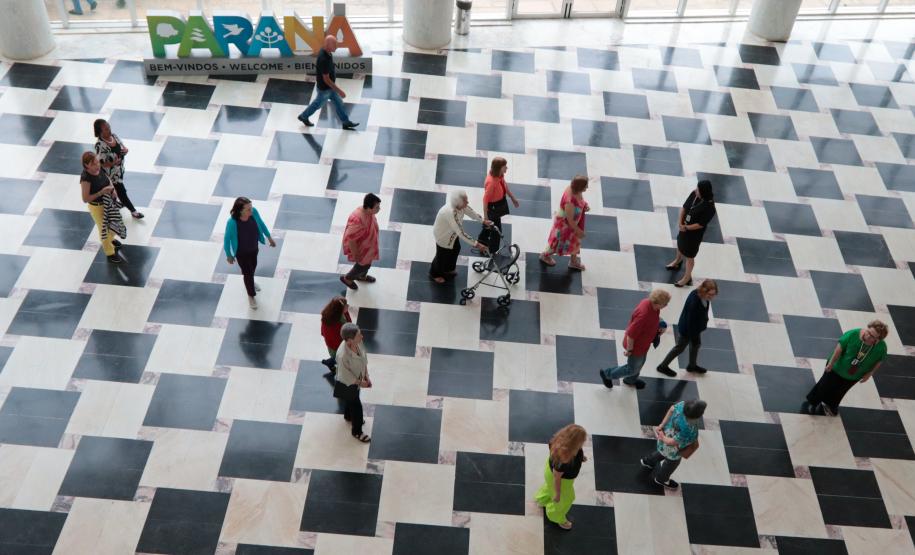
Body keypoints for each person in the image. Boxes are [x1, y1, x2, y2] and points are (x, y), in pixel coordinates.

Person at [805, 321, 889, 416]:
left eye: (873, 336)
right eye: (868, 332)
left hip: (854, 375)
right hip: (836, 368)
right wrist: (831, 364)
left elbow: (879, 361)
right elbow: (839, 349)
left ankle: (830, 405)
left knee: (841, 390)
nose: (868, 336)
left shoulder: (881, 347)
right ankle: (813, 402)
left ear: (878, 339)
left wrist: (869, 374)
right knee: (824, 385)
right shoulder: (853, 334)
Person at [600, 289, 671, 390]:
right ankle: (607, 374)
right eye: (665, 304)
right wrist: (629, 351)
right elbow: (631, 335)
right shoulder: (644, 315)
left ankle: (630, 380)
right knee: (632, 368)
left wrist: (661, 322)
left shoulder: (650, 303)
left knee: (640, 364)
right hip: (636, 347)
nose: (666, 305)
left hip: (644, 344)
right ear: (658, 303)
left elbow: (655, 316)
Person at [657, 279, 719, 376]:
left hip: (695, 329)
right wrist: (693, 337)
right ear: (703, 291)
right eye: (710, 294)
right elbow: (690, 322)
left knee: (696, 345)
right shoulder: (695, 302)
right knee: (680, 348)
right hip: (688, 330)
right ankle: (662, 366)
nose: (711, 297)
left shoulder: (702, 296)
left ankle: (692, 365)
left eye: (713, 294)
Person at [223, 197, 276, 310]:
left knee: (252, 268)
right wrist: (229, 255)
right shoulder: (232, 222)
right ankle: (251, 295)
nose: (251, 211)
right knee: (247, 273)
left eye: (251, 208)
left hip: (253, 249)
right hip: (241, 253)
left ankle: (250, 281)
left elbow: (261, 224)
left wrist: (269, 237)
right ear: (240, 210)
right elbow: (226, 240)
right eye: (248, 209)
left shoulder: (254, 212)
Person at [296, 35, 359, 130]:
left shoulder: (327, 52)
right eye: (335, 45)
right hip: (325, 89)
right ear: (328, 45)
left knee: (339, 103)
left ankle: (346, 122)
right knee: (318, 104)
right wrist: (339, 91)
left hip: (329, 88)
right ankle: (304, 116)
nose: (337, 47)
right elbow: (326, 79)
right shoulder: (323, 59)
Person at [641, 399, 705, 490]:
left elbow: (671, 409)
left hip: (666, 435)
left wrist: (662, 425)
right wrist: (663, 437)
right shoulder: (689, 428)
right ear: (696, 416)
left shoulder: (682, 405)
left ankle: (648, 461)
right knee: (672, 464)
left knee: (661, 452)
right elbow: (672, 442)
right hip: (673, 449)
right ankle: (661, 479)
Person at [430, 190, 492, 284]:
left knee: (456, 249)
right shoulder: (451, 213)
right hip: (443, 237)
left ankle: (449, 269)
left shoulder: (460, 206)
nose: (468, 202)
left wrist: (482, 221)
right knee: (441, 256)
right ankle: (434, 274)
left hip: (452, 234)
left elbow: (470, 212)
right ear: (459, 203)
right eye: (466, 201)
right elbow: (461, 233)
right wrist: (477, 244)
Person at [534, 424, 587, 530]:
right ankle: (555, 516)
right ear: (574, 444)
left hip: (550, 471)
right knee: (566, 499)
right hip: (560, 480)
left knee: (549, 487)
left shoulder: (561, 442)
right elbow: (556, 478)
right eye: (582, 442)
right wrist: (558, 494)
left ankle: (542, 499)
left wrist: (580, 457)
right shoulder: (564, 460)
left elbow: (577, 452)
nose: (583, 443)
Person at [667, 180, 716, 288]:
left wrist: (686, 227)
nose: (696, 190)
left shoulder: (710, 207)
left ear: (704, 191)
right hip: (684, 227)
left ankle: (687, 277)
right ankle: (678, 260)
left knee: (690, 255)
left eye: (698, 190)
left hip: (694, 235)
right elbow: (684, 208)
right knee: (680, 243)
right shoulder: (694, 194)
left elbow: (700, 224)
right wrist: (680, 223)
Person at [80, 152, 125, 264]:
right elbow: (86, 199)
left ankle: (111, 240)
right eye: (93, 164)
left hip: (108, 202)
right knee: (104, 229)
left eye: (97, 162)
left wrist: (113, 190)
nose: (97, 165)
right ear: (86, 165)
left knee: (114, 222)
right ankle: (110, 252)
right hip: (97, 207)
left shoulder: (99, 169)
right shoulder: (86, 178)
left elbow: (108, 179)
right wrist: (101, 192)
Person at [94, 118, 143, 219]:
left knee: (114, 192)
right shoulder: (100, 145)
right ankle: (133, 211)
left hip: (119, 171)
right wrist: (113, 163)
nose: (109, 130)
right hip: (110, 175)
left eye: (109, 127)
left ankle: (114, 206)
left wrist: (125, 150)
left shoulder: (114, 136)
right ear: (100, 132)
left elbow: (122, 147)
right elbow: (100, 163)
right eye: (106, 129)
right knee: (121, 191)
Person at [540, 175, 590, 271]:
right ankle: (545, 255)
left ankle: (573, 261)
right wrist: (578, 231)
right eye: (585, 186)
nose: (587, 188)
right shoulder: (569, 201)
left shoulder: (576, 190)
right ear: (579, 187)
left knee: (575, 242)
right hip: (565, 227)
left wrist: (585, 205)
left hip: (574, 225)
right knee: (557, 242)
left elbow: (581, 200)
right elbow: (570, 220)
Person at [335, 323, 372, 443]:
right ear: (350, 340)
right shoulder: (342, 355)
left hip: (358, 378)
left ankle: (348, 416)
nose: (362, 336)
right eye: (359, 335)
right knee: (357, 406)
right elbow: (346, 376)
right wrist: (361, 383)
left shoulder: (358, 342)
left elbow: (363, 358)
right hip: (348, 383)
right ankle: (357, 431)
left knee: (350, 400)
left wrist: (366, 375)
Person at [341, 193, 381, 290]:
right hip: (361, 248)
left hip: (368, 246)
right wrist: (356, 254)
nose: (379, 209)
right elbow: (351, 239)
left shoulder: (368, 213)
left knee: (367, 264)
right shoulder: (357, 220)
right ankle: (348, 278)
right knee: (363, 265)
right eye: (377, 207)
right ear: (368, 208)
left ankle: (361, 276)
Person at [320, 296, 352, 373]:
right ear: (339, 310)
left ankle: (330, 362)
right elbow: (349, 326)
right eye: (346, 306)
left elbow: (322, 332)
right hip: (337, 347)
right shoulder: (337, 323)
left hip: (332, 345)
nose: (348, 306)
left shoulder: (327, 316)